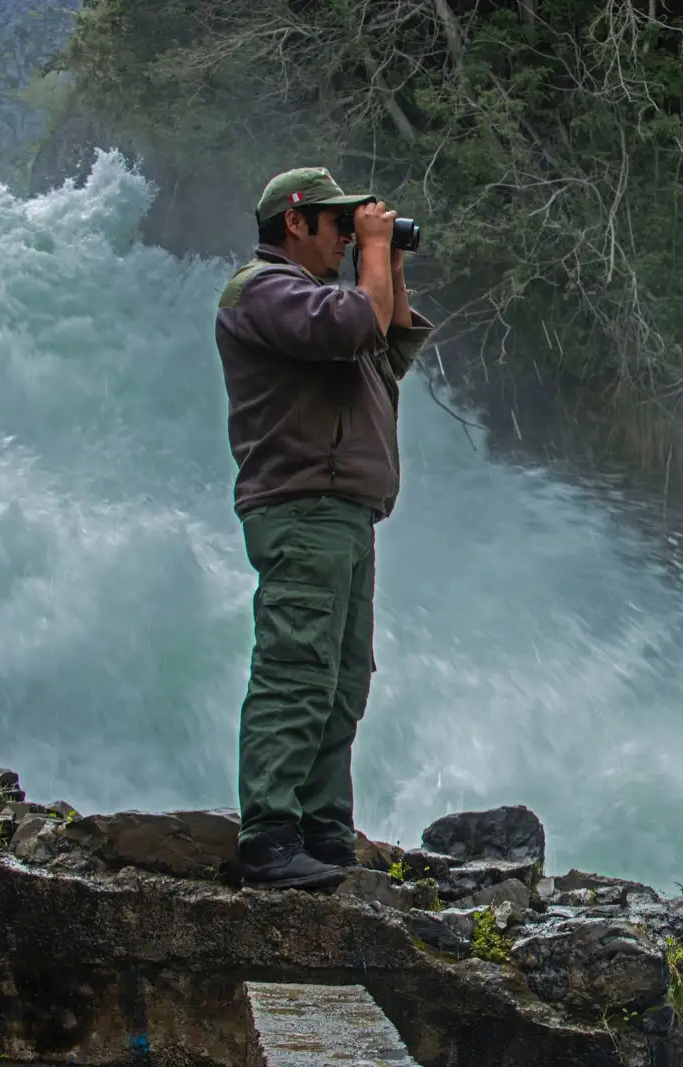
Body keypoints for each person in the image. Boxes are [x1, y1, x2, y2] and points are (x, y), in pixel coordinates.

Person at [214, 166, 434, 889]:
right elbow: (353, 327)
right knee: (297, 669)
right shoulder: (263, 290)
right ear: (295, 222)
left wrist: (387, 263)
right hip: (303, 506)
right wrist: (372, 261)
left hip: (342, 512)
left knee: (341, 678)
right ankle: (270, 835)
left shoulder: (324, 303)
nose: (346, 237)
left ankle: (323, 829)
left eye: (354, 226)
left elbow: (388, 346)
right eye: (338, 225)